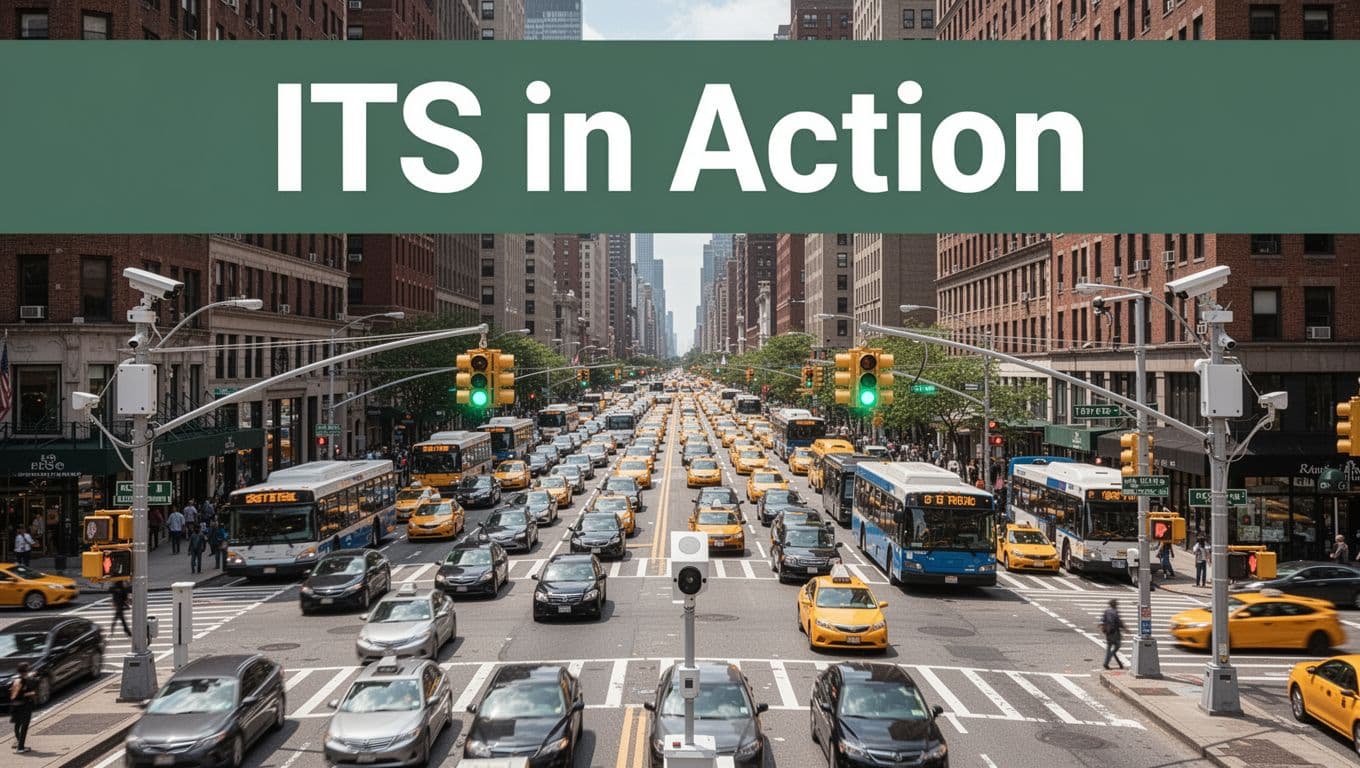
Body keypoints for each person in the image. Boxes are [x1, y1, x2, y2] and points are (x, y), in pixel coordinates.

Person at [9, 661, 36, 753]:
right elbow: (15, 696)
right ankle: (20, 747)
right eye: (28, 670)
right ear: (25, 671)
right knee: (24, 726)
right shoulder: (21, 681)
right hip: (23, 707)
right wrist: (30, 693)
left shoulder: (17, 679)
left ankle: (19, 743)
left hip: (17, 707)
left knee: (18, 724)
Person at [1100, 599, 1126, 670]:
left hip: (1108, 632)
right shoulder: (1115, 612)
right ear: (1114, 605)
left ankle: (1106, 662)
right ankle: (1110, 657)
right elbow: (1119, 622)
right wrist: (1125, 629)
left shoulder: (1106, 611)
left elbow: (1102, 621)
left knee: (1109, 647)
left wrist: (1103, 628)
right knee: (1117, 646)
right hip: (1115, 632)